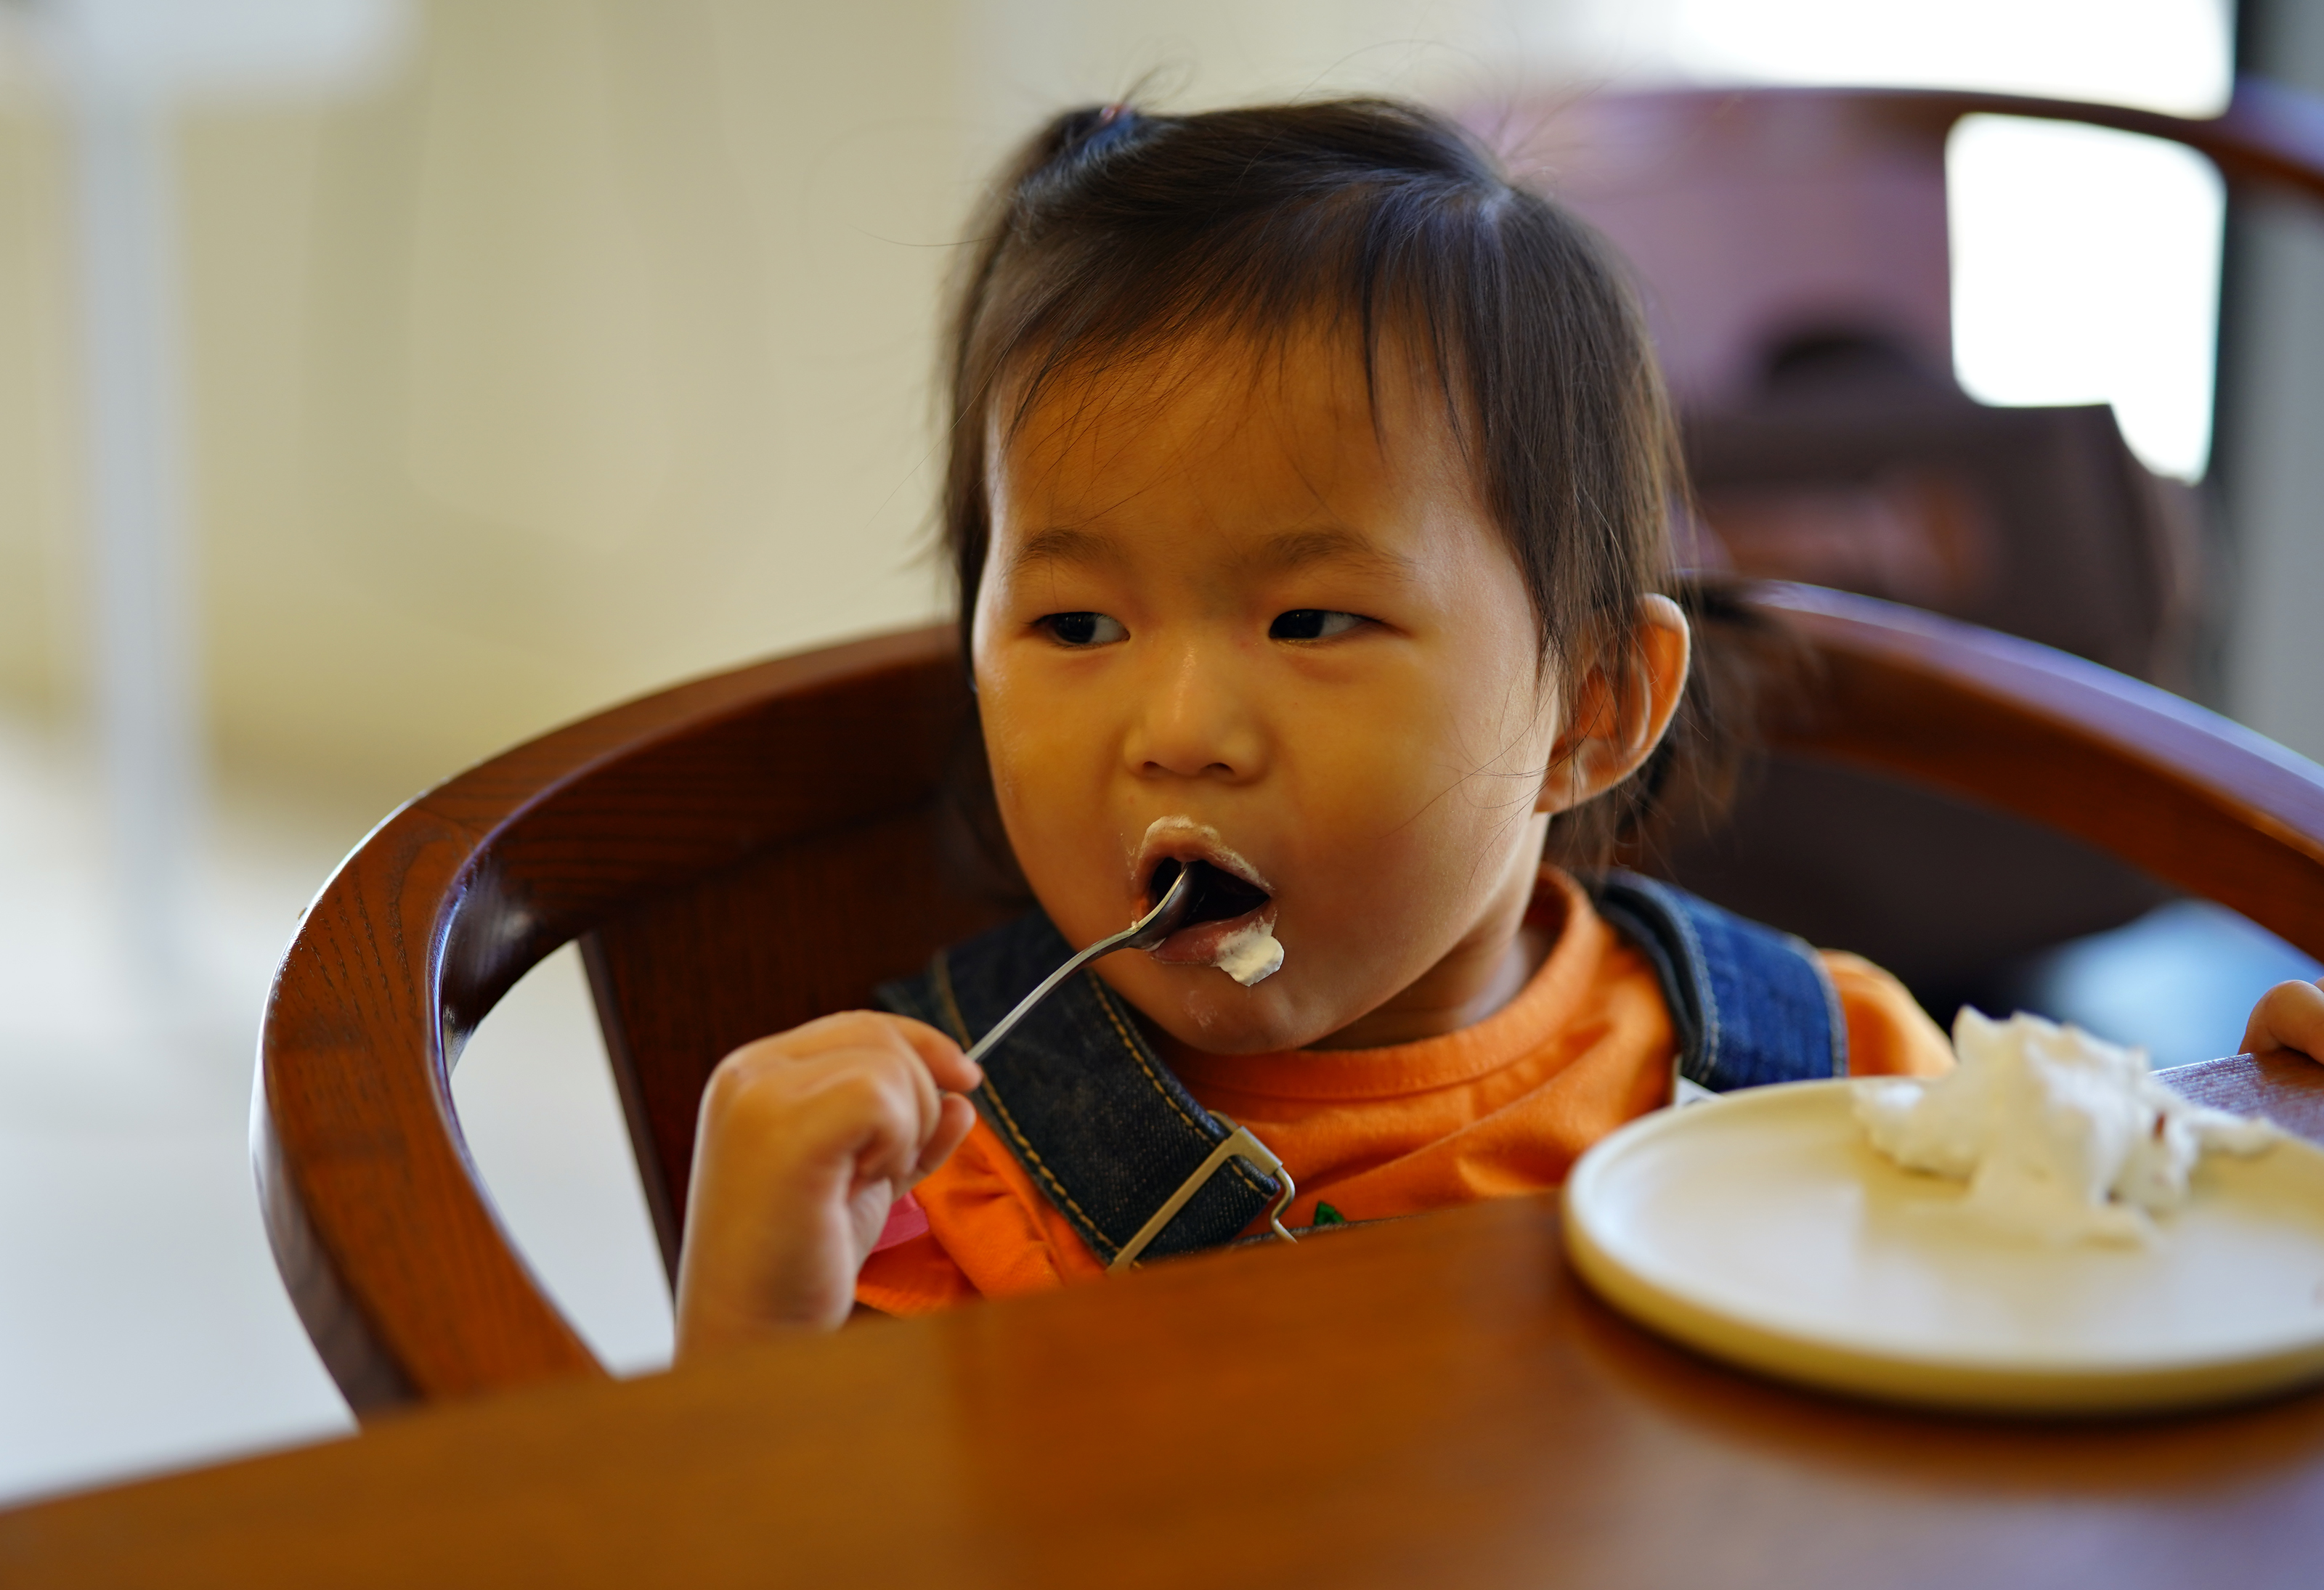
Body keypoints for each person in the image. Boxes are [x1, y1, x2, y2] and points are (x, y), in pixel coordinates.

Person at [668, 99, 2324, 1357]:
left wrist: (2242, 1163)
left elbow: (2060, 1359)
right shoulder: (943, 1184)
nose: (1179, 731)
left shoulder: (1824, 1068)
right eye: (1077, 625)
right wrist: (750, 1311)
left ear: (1591, 707)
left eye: (1311, 622)